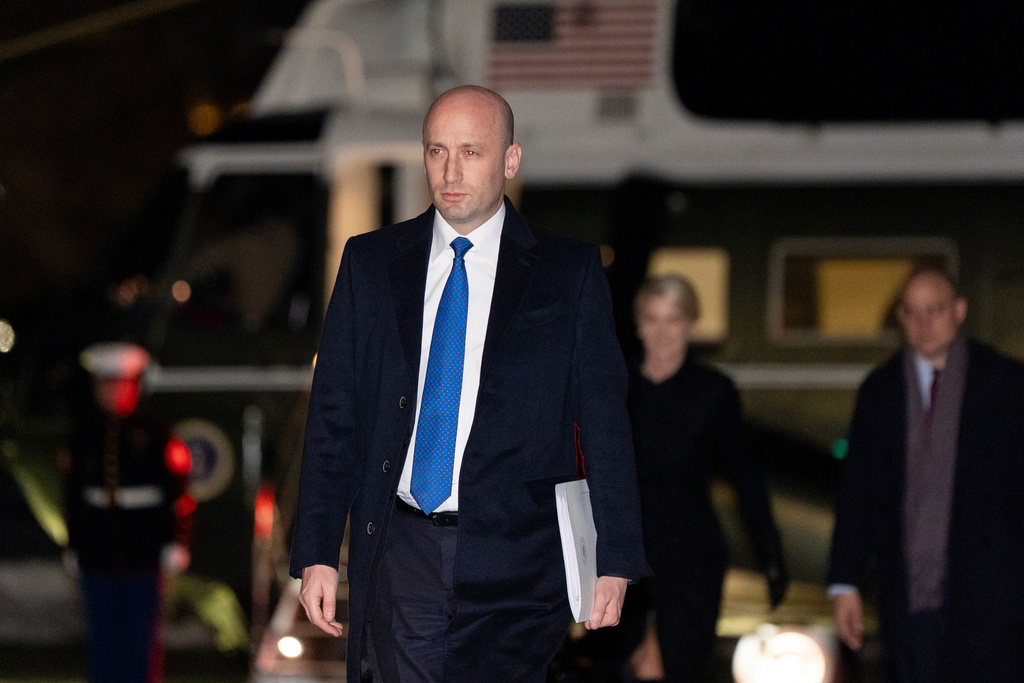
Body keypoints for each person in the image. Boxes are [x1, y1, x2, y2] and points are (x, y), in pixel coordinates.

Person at [290, 84, 650, 682]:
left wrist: (615, 557)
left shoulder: (568, 272)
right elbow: (334, 417)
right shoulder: (371, 263)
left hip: (518, 561)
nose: (451, 171)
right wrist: (317, 553)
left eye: (471, 152)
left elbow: (605, 420)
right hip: (403, 551)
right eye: (437, 151)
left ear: (510, 160)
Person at [828, 267, 1024, 682]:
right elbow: (857, 492)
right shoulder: (879, 391)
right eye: (911, 312)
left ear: (959, 310)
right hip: (907, 598)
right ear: (900, 319)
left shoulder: (1006, 385)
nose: (923, 323)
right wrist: (844, 581)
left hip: (990, 596)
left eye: (934, 310)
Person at [596, 274, 787, 682]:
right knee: (618, 666)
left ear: (692, 326)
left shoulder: (712, 392)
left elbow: (745, 473)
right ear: (639, 324)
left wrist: (771, 549)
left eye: (673, 319)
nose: (662, 332)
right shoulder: (614, 385)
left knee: (682, 665)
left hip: (690, 557)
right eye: (652, 319)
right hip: (621, 552)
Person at [63, 342, 193, 683]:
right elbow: (73, 495)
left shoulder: (155, 430)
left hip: (143, 546)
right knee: (103, 637)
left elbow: (178, 493)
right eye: (105, 385)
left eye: (120, 384)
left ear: (133, 387)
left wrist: (176, 540)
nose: (112, 392)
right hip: (98, 547)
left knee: (139, 638)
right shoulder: (84, 431)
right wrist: (74, 544)